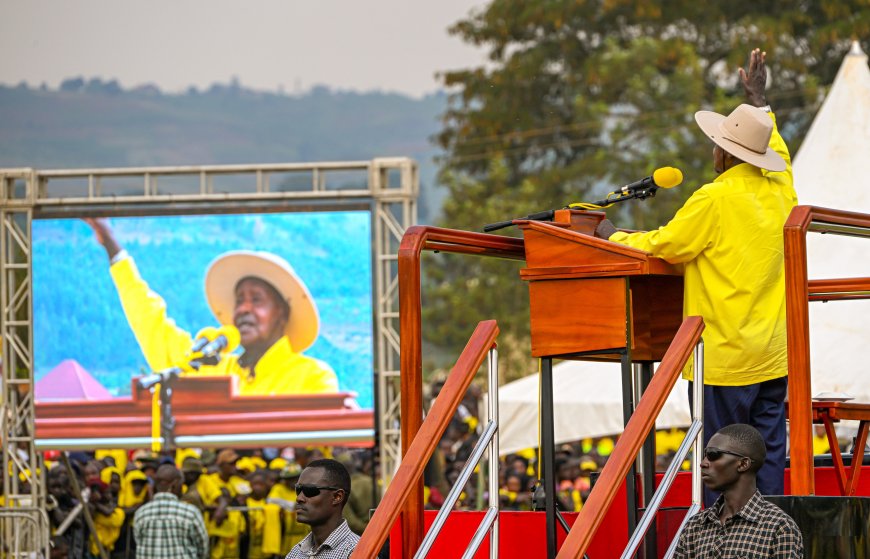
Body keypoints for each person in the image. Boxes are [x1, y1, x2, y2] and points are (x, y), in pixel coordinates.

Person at [596, 48, 796, 503]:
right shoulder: (782, 188)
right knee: (764, 459)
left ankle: (724, 544)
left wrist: (613, 235)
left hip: (724, 359)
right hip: (774, 354)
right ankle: (765, 541)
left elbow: (665, 245)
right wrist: (760, 103)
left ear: (724, 152)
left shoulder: (714, 197)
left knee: (722, 465)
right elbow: (776, 146)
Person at [84, 218, 338, 396]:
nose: (244, 309)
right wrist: (111, 246)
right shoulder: (211, 369)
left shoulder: (313, 377)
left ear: (282, 313)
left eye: (257, 299)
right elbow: (151, 323)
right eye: (239, 300)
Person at [673, 424, 803, 558]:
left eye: (713, 454)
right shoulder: (694, 526)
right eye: (705, 455)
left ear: (743, 464)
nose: (703, 463)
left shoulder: (779, 527)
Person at [285, 459, 359, 559]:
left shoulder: (356, 552)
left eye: (309, 490)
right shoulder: (296, 553)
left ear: (337, 497)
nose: (299, 498)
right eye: (298, 490)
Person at [133, 464, 209, 559]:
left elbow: (138, 541)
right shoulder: (190, 512)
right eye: (181, 484)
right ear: (174, 484)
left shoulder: (141, 513)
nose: (182, 488)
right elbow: (203, 547)